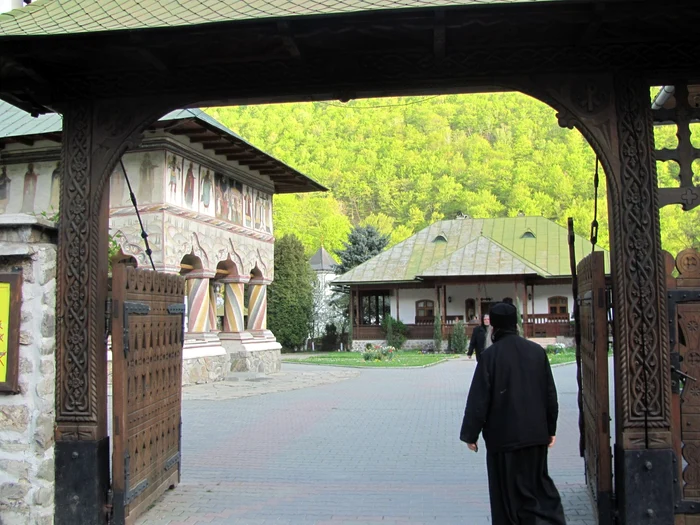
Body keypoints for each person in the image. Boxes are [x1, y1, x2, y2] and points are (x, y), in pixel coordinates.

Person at [460, 302, 566, 525]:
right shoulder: (536, 352)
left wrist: (471, 434)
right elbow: (550, 394)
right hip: (535, 436)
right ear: (515, 324)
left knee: (506, 497)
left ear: (494, 328)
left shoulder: (490, 357)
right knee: (536, 489)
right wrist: (551, 428)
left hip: (504, 440)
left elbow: (479, 399)